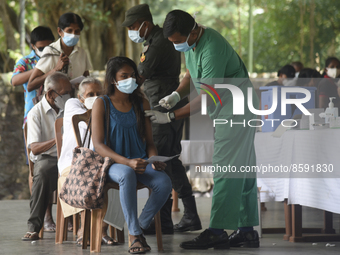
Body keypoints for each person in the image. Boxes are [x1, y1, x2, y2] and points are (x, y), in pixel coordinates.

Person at [145, 10, 259, 249]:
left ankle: (217, 231)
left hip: (236, 109)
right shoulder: (193, 45)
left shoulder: (211, 47)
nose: (176, 46)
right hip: (234, 108)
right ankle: (247, 231)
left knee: (225, 167)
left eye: (178, 41)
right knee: (242, 169)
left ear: (193, 32)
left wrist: (170, 116)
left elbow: (207, 99)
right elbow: (190, 73)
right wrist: (177, 94)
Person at [121, 3, 201, 235]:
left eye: (134, 26)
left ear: (145, 24)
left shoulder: (157, 44)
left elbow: (139, 77)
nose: (132, 31)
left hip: (162, 107)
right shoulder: (157, 40)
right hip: (167, 102)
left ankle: (164, 221)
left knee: (160, 160)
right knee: (171, 160)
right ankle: (190, 215)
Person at [91, 56, 172, 254]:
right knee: (126, 174)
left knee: (164, 182)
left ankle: (139, 225)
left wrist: (153, 161)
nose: (130, 79)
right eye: (124, 76)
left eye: (133, 75)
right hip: (113, 164)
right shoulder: (102, 104)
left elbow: (150, 143)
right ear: (112, 79)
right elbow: (98, 145)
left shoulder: (141, 103)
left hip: (141, 161)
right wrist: (127, 161)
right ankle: (134, 236)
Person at [57, 77, 118, 246]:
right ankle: (84, 229)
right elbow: (86, 125)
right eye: (91, 94)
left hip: (100, 163)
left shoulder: (108, 108)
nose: (96, 97)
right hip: (73, 164)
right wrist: (101, 107)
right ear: (80, 97)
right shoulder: (72, 105)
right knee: (88, 176)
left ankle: (103, 229)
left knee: (118, 175)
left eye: (99, 94)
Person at [11, 26, 56, 232]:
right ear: (33, 47)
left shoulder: (59, 56)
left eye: (49, 46)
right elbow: (15, 80)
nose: (46, 49)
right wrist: (42, 68)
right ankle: (45, 216)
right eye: (41, 47)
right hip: (34, 118)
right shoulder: (25, 61)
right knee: (36, 167)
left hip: (57, 114)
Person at [22, 72, 72, 241]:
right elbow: (34, 149)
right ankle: (34, 227)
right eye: (64, 93)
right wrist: (58, 140)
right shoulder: (35, 113)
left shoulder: (70, 109)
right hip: (48, 158)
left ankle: (87, 225)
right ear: (51, 94)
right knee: (42, 171)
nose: (68, 97)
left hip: (69, 156)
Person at [27, 12, 92, 94]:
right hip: (55, 104)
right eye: (69, 30)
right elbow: (31, 85)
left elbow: (87, 80)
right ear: (59, 31)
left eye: (77, 31)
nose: (73, 35)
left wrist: (82, 86)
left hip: (76, 103)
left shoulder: (82, 53)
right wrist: (55, 70)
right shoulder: (50, 51)